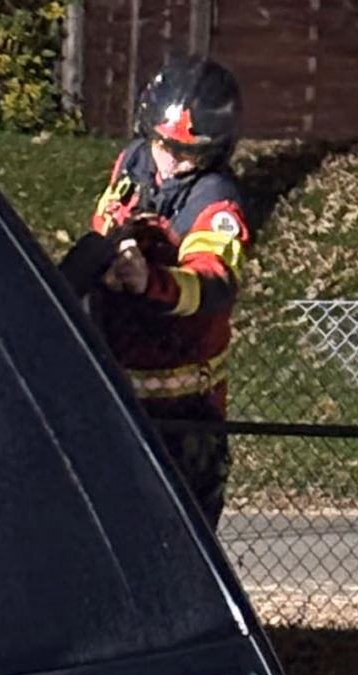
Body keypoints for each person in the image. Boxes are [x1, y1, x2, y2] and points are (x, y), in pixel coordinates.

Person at [88, 54, 249, 528]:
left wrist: (150, 282)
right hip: (116, 398)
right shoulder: (132, 163)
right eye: (162, 145)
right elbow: (104, 222)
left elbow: (213, 283)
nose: (170, 161)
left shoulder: (216, 202)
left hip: (184, 419)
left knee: (181, 541)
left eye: (187, 154)